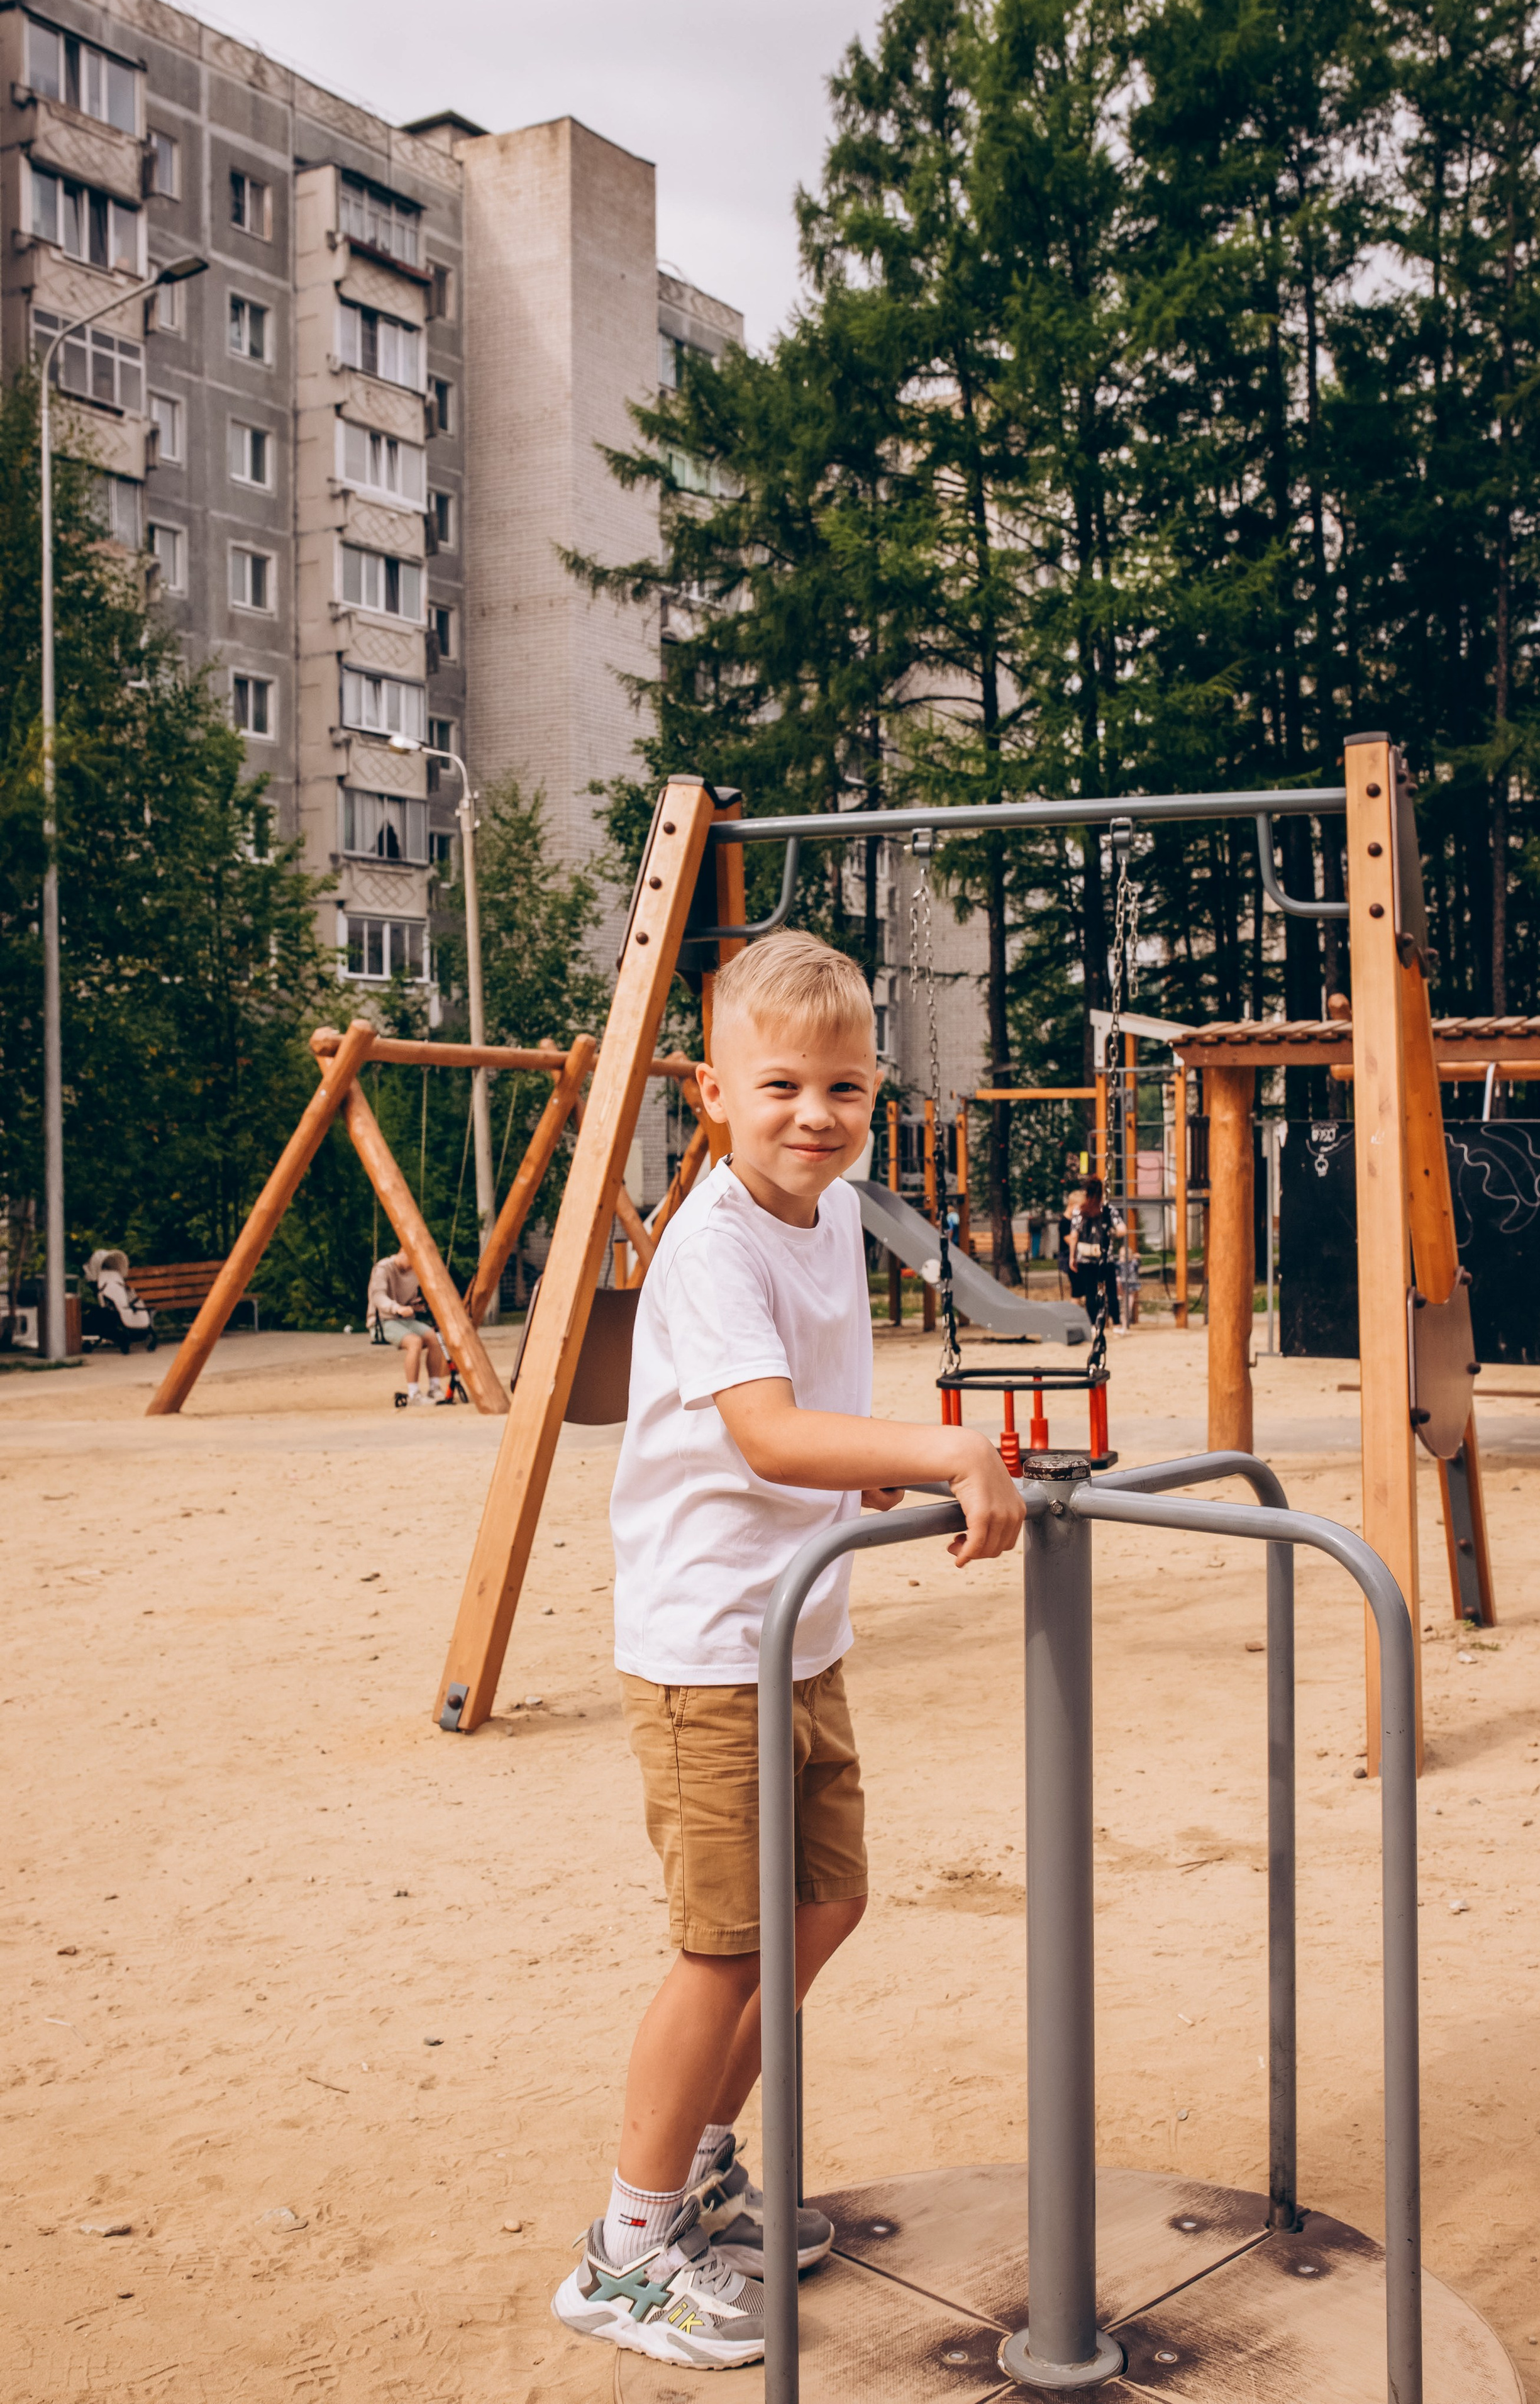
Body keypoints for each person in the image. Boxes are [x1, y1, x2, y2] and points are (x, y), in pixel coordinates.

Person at [551, 930, 1025, 2371]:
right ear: (710, 1092)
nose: (814, 1113)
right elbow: (759, 1428)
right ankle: (624, 2246)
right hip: (709, 1643)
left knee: (824, 1905)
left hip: (798, 1629)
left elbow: (800, 1432)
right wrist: (940, 1444)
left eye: (844, 1085)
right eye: (779, 1085)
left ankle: (696, 2166)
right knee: (721, 1942)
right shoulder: (709, 1241)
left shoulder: (824, 1222)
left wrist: (863, 1468)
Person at [366, 1250, 446, 1405]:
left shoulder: (415, 1269)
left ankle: (434, 1388)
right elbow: (378, 1297)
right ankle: (414, 1394)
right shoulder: (383, 1268)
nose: (414, 1267)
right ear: (403, 1253)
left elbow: (413, 1299)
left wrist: (417, 1305)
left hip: (406, 1320)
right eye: (413, 1261)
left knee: (436, 1339)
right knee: (414, 1342)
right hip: (383, 1321)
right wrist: (397, 1308)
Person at [1059, 1175, 1126, 1335]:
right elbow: (1122, 1230)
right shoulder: (1108, 1210)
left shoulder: (1079, 1211)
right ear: (1101, 1192)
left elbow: (1074, 1235)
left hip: (1085, 1258)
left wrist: (1072, 1257)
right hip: (1105, 1258)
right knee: (1111, 1292)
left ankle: (1094, 1326)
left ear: (1086, 1192)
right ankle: (1116, 1325)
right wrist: (1111, 1233)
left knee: (1090, 1292)